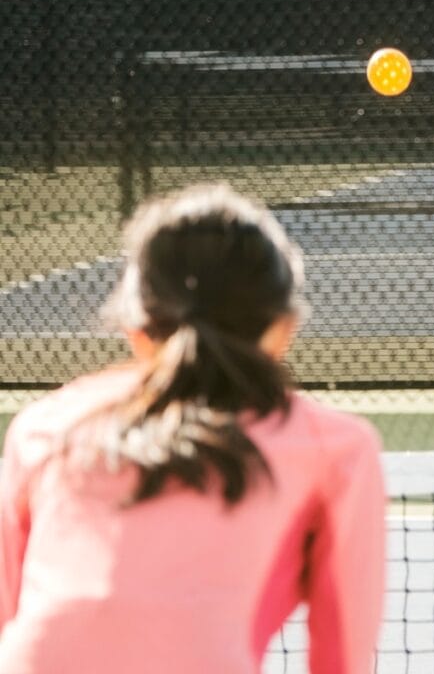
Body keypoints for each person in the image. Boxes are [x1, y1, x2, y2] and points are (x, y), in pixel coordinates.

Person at [0, 184, 387, 673]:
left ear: (135, 331)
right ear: (285, 329)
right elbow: (343, 658)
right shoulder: (337, 451)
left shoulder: (42, 428)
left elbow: (8, 613)